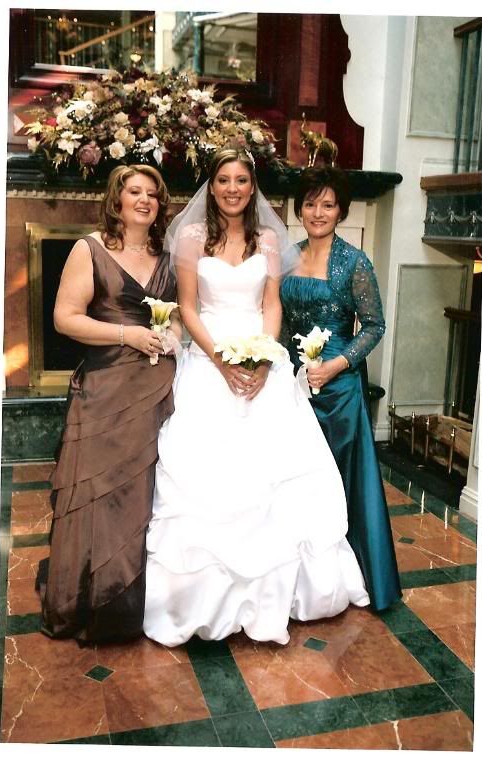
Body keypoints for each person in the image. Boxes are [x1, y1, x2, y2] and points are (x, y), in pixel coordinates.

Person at [144, 148, 370, 648]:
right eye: (224, 180)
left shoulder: (269, 239)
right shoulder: (192, 237)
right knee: (209, 476)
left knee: (280, 475)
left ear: (252, 187)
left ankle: (285, 596)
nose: (233, 189)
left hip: (261, 359)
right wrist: (221, 361)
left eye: (241, 180)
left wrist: (264, 360)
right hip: (208, 361)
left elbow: (271, 305)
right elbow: (188, 307)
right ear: (212, 185)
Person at [38, 164, 182, 643]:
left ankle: (141, 606)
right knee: (100, 494)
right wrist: (128, 334)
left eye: (152, 194)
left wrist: (172, 335)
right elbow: (65, 318)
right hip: (105, 388)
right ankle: (93, 602)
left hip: (158, 387)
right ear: (116, 200)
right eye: (134, 191)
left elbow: (176, 316)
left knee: (144, 496)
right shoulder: (90, 248)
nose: (144, 200)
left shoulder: (166, 256)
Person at [280, 166, 402, 611]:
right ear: (299, 209)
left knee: (340, 479)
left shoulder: (355, 262)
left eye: (328, 205)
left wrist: (335, 365)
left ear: (341, 212)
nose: (318, 212)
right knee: (295, 478)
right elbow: (281, 321)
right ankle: (299, 578)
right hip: (294, 385)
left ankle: (349, 574)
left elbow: (374, 326)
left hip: (340, 389)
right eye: (311, 204)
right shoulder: (287, 257)